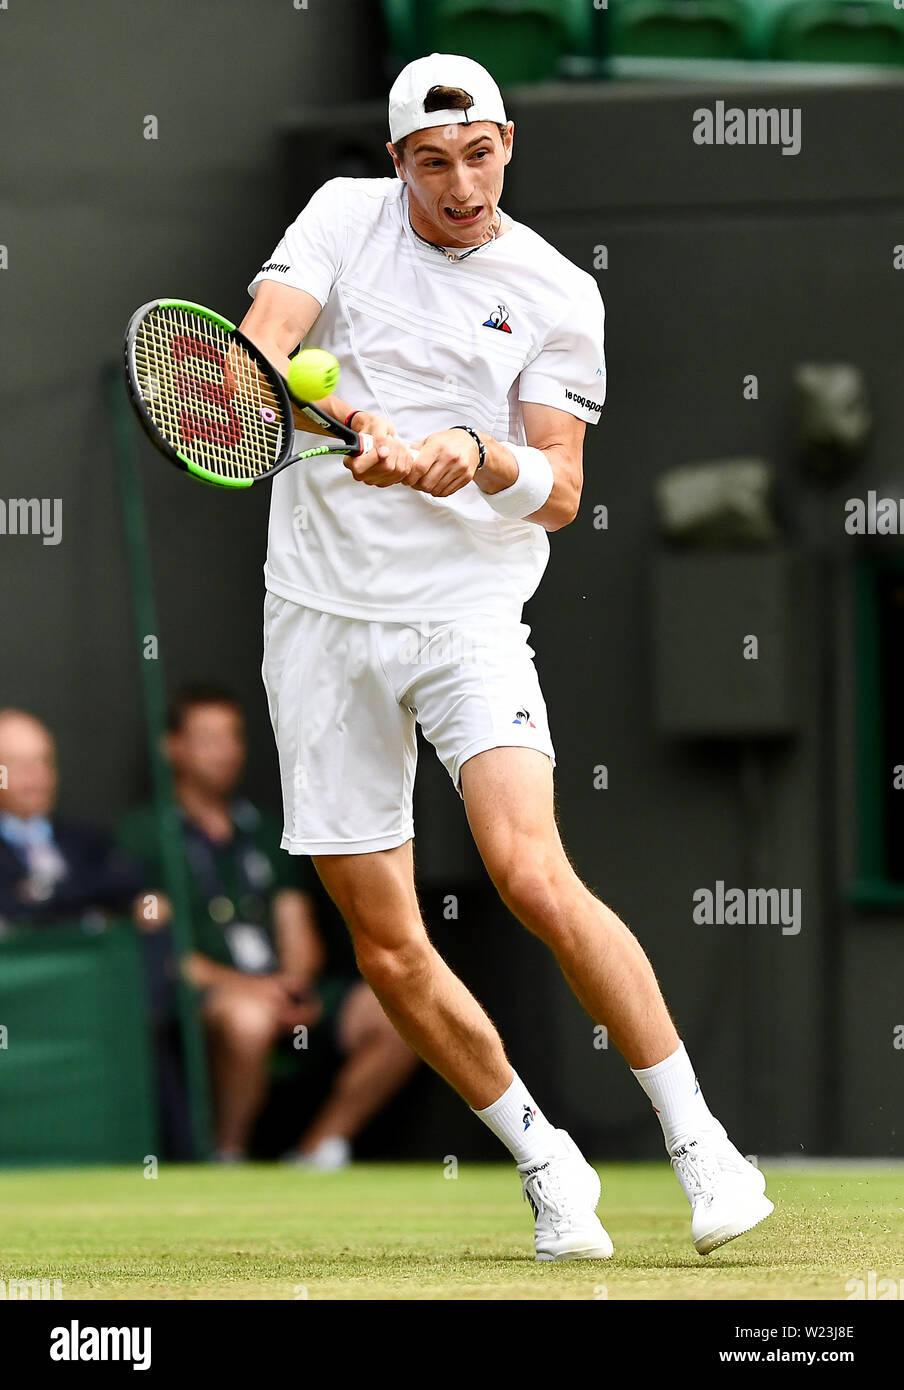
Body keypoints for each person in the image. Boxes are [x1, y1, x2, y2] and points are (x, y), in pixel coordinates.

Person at [239, 53, 773, 1257]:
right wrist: (351, 421)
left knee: (530, 871)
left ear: (508, 144)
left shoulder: (554, 295)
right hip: (316, 620)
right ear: (396, 164)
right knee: (383, 942)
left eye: (479, 154)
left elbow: (560, 492)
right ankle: (546, 1159)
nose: (460, 183)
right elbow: (256, 345)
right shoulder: (339, 216)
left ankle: (702, 1145)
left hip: (465, 618)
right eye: (433, 163)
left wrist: (473, 456)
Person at [117, 685, 417, 1166]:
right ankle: (228, 1155)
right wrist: (250, 990)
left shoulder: (266, 829)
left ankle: (318, 1151)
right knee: (247, 1018)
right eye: (209, 738)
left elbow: (295, 922)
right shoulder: (143, 837)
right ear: (172, 746)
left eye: (233, 737)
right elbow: (157, 949)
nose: (226, 751)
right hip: (205, 999)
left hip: (284, 992)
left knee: (403, 1011)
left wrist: (291, 985)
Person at [0, 708, 143, 928]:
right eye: (20, 764)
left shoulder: (89, 842)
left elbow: (129, 887)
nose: (36, 775)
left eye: (44, 761)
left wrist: (40, 893)